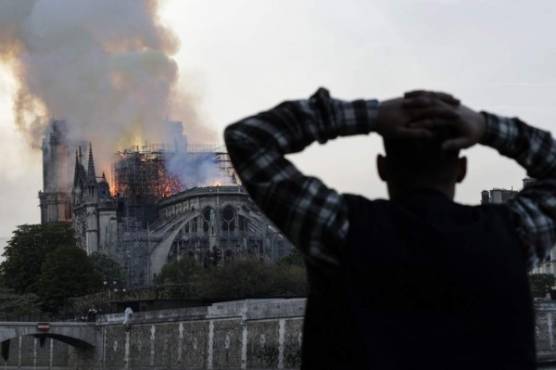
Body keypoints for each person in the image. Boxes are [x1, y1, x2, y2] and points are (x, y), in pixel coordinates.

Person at [224, 88, 556, 370]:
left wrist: (369, 115)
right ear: (462, 169)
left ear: (382, 168)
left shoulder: (339, 229)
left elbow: (247, 138)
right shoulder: (514, 236)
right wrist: (486, 127)